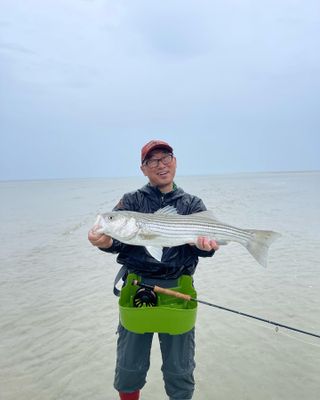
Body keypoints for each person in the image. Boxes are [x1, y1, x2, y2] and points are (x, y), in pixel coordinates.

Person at [88, 140, 219, 400]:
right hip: (137, 286)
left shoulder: (192, 204)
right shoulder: (131, 201)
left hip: (178, 288)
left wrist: (207, 247)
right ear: (143, 169)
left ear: (175, 161)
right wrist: (104, 242)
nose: (161, 165)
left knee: (180, 371)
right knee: (128, 368)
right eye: (153, 161)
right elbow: (116, 241)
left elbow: (205, 249)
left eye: (166, 158)